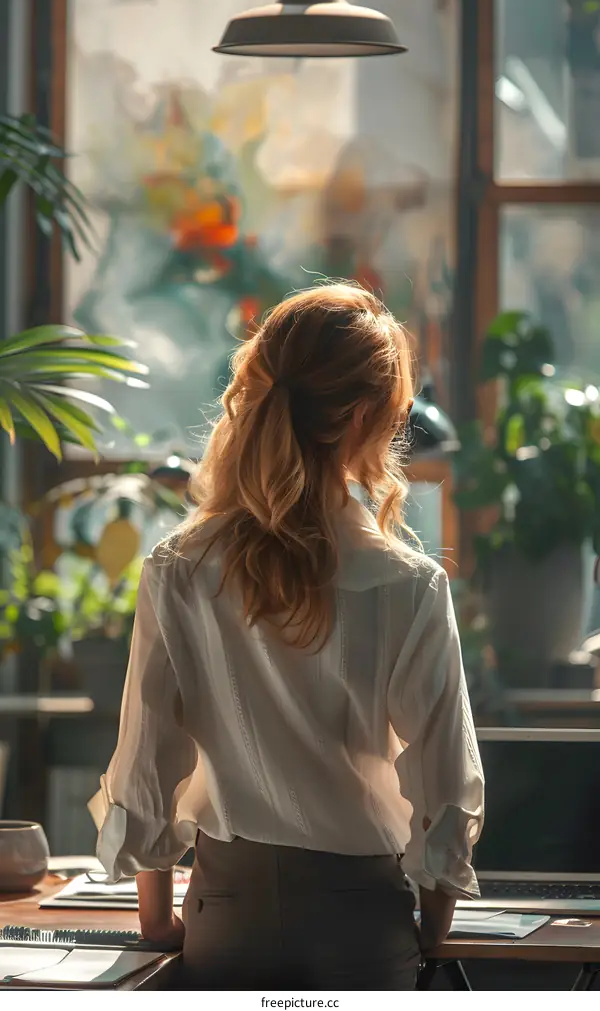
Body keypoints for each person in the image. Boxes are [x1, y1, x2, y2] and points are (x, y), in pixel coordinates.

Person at [97, 282, 484, 990]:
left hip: (225, 912)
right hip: (360, 921)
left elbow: (147, 757)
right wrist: (431, 925)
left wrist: (158, 921)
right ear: (365, 417)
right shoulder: (410, 584)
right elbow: (445, 786)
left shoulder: (178, 568)